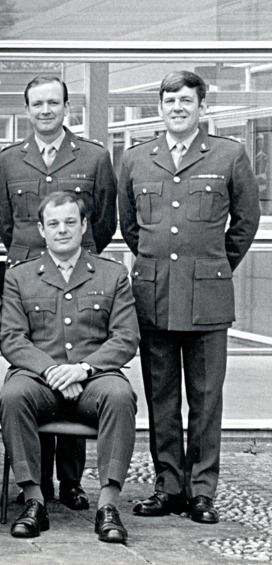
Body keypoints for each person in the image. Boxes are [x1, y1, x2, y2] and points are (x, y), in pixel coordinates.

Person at [119, 70, 260, 524]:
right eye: (168, 100)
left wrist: (213, 267)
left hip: (207, 300)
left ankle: (202, 490)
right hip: (154, 296)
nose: (177, 107)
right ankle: (168, 486)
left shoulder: (229, 155)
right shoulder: (137, 159)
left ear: (202, 107)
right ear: (159, 107)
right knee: (161, 397)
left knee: (205, 399)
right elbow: (131, 226)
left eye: (185, 100)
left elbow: (244, 223)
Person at [0, 75, 118, 510]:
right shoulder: (9, 160)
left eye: (53, 103)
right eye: (37, 104)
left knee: (77, 354)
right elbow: (5, 221)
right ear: (26, 110)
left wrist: (79, 251)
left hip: (81, 273)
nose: (45, 111)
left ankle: (72, 482)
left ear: (67, 107)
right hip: (30, 273)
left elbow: (103, 220)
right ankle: (36, 485)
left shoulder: (95, 157)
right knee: (42, 365)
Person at [0, 191, 139, 544]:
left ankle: (107, 506)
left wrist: (84, 369)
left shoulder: (112, 274)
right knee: (13, 395)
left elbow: (125, 338)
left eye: (70, 222)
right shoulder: (20, 277)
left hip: (93, 380)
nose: (62, 230)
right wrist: (50, 370)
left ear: (84, 226)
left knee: (121, 396)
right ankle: (34, 501)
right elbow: (12, 338)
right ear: (42, 231)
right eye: (54, 224)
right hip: (40, 381)